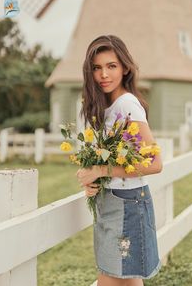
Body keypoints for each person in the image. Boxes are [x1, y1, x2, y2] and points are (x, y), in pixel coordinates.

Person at [76, 35, 163, 286]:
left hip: (128, 204)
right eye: (97, 67)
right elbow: (113, 159)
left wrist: (101, 169)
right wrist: (93, 177)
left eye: (111, 66)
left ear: (125, 68)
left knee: (110, 280)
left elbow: (155, 163)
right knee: (126, 280)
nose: (103, 74)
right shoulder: (106, 107)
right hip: (113, 202)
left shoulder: (127, 105)